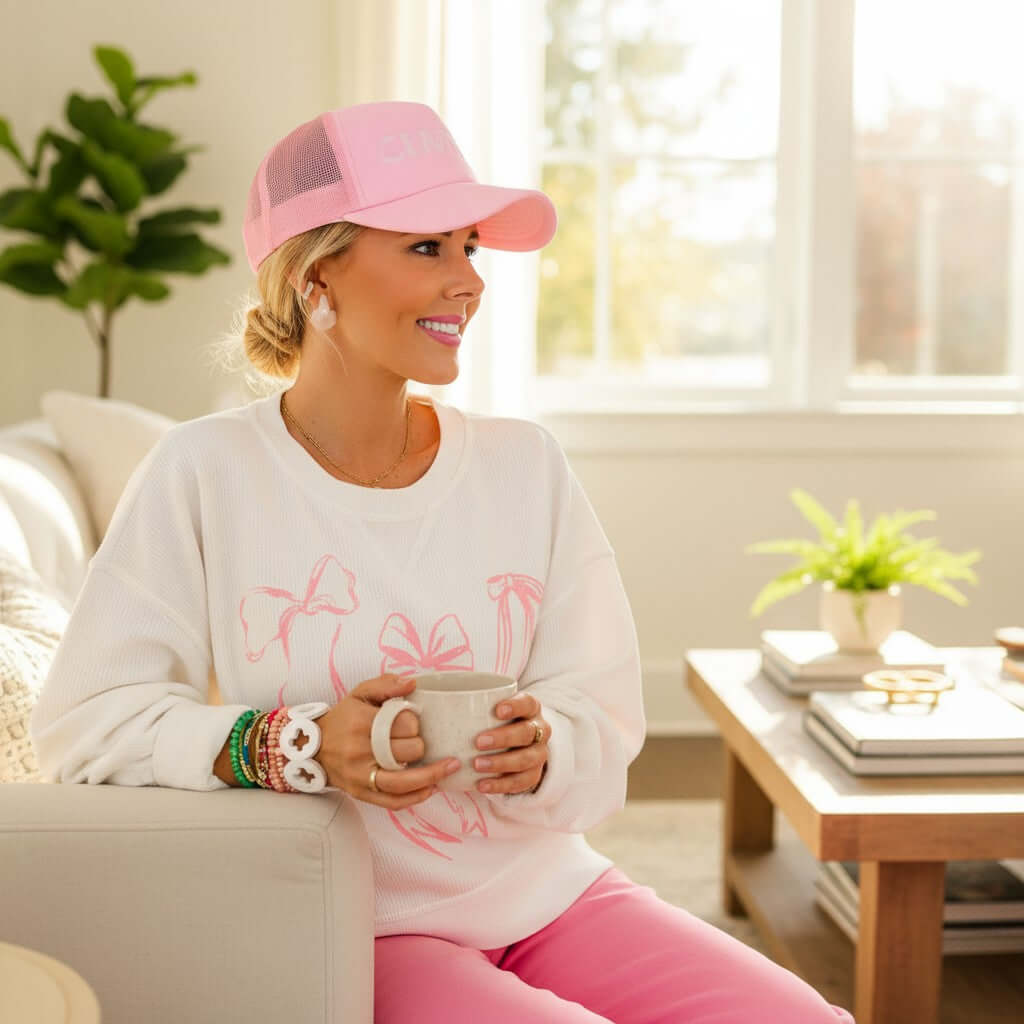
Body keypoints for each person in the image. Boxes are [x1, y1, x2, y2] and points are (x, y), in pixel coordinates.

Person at [30, 101, 854, 1023]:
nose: (469, 281)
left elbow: (602, 707)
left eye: (471, 247)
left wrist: (545, 751)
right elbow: (86, 725)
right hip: (362, 923)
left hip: (551, 894)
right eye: (428, 248)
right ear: (316, 275)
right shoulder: (204, 472)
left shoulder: (523, 463)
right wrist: (296, 744)